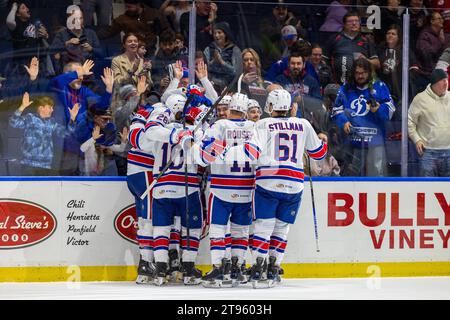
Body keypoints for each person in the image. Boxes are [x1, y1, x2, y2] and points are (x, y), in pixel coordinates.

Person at [242, 88, 327, 288]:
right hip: (294, 184)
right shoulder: (303, 124)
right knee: (282, 227)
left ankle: (258, 267)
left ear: (271, 106)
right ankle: (274, 267)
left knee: (263, 225)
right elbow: (319, 154)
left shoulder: (263, 124)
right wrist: (323, 141)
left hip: (268, 181)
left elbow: (251, 152)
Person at [198, 93, 254, 288]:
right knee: (241, 231)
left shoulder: (220, 125)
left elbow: (203, 157)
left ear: (230, 107)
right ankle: (237, 268)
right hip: (247, 188)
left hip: (222, 188)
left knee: (218, 229)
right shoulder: (255, 128)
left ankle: (219, 268)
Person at [331, 57, 396, 177]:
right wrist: (343, 121)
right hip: (352, 141)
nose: (360, 76)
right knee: (351, 174)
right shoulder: (346, 88)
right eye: (357, 73)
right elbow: (336, 109)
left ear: (369, 72)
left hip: (375, 141)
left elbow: (391, 109)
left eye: (363, 73)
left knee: (377, 174)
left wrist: (378, 109)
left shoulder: (380, 86)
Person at [9, 92, 79, 175]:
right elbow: (13, 122)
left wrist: (73, 118)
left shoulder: (51, 122)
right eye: (50, 107)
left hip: (45, 165)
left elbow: (66, 133)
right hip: (29, 164)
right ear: (41, 108)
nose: (52, 110)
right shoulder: (30, 118)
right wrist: (22, 107)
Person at [408, 68, 450, 177]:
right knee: (427, 187)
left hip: (449, 151)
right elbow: (410, 121)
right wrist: (417, 140)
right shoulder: (420, 99)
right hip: (428, 152)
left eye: (446, 80)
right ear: (434, 83)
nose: (446, 83)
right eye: (443, 81)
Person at [97, 0, 170, 54]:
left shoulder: (153, 14)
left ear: (138, 4)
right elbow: (108, 32)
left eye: (130, 7)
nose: (127, 9)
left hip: (149, 51)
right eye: (126, 6)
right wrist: (92, 35)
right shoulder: (123, 19)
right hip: (132, 52)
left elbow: (166, 30)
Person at [326, 12, 380, 84]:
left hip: (361, 85)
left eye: (356, 21)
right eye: (350, 21)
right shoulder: (335, 38)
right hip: (339, 85)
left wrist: (366, 60)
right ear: (344, 24)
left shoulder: (366, 40)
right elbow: (325, 61)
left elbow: (377, 64)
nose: (354, 23)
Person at [50, 8, 103, 74]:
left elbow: (101, 54)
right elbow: (53, 53)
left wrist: (91, 49)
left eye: (81, 18)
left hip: (88, 74)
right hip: (68, 75)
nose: (78, 21)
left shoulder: (91, 33)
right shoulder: (62, 34)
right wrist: (67, 43)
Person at [203, 22, 243, 91]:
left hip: (229, 88)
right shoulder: (208, 49)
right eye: (214, 33)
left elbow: (236, 72)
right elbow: (203, 69)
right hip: (210, 86)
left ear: (225, 34)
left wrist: (221, 62)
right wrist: (214, 61)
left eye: (219, 32)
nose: (216, 35)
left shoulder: (234, 50)